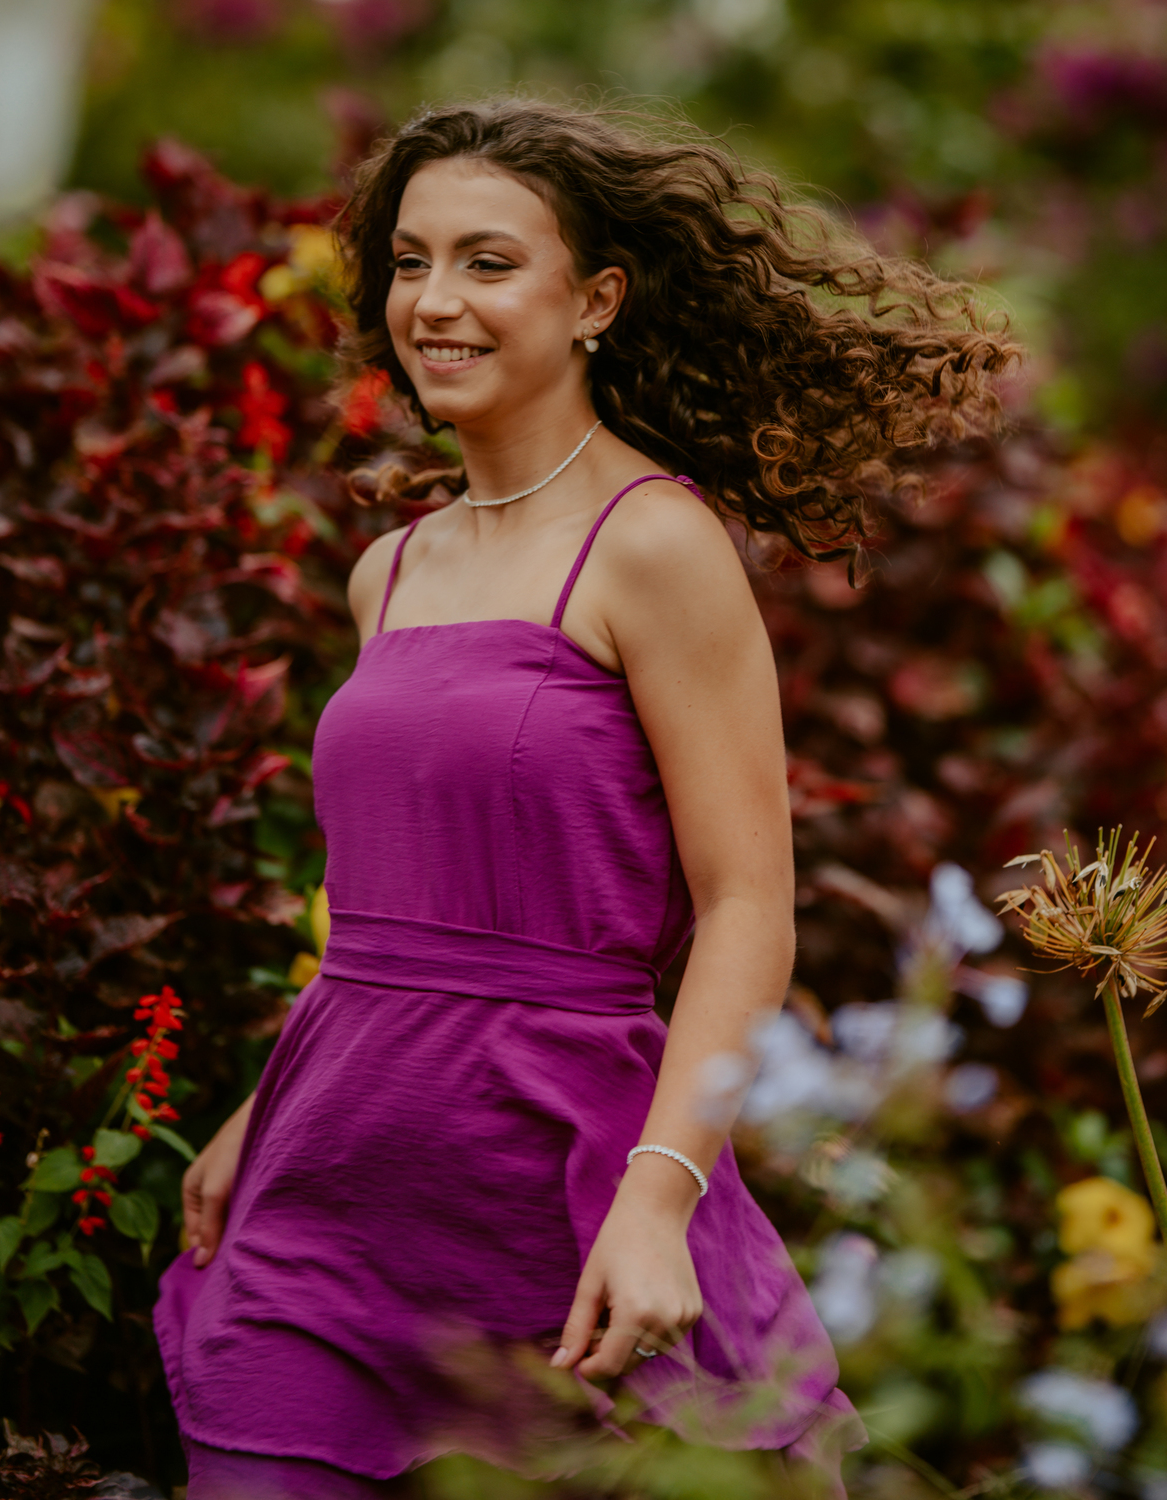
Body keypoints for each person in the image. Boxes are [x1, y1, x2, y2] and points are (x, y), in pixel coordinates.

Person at [154, 97, 1015, 1499]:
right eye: (412, 261)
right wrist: (265, 1107)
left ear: (596, 300)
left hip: (561, 1205)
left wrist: (659, 1200)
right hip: (325, 1201)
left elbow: (745, 907)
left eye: (488, 262)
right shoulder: (391, 571)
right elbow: (385, 903)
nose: (435, 302)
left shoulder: (653, 547)